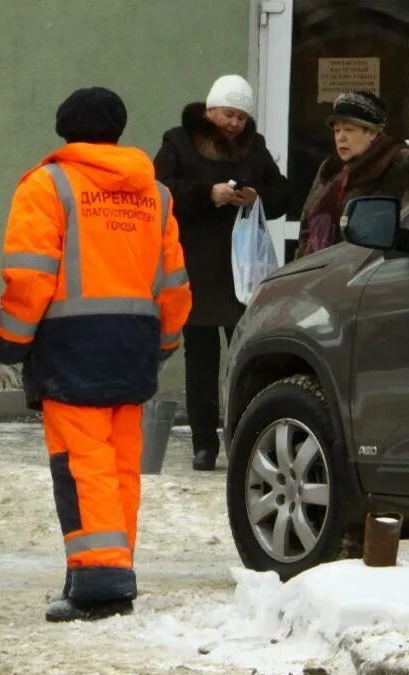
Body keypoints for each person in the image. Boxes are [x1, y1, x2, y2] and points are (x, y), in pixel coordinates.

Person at [0, 87, 191, 622]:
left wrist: (7, 344)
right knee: (122, 466)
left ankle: (98, 582)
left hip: (72, 348)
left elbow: (30, 276)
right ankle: (113, 570)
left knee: (83, 467)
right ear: (119, 130)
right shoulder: (156, 194)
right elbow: (173, 286)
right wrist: (164, 344)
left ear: (63, 128)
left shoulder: (48, 185)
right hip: (135, 347)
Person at [153, 74, 289, 471]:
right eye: (229, 114)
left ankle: (247, 439)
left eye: (242, 118)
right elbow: (161, 191)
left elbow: (282, 193)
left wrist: (256, 196)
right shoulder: (178, 141)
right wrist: (207, 195)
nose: (235, 124)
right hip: (195, 264)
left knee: (248, 357)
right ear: (210, 110)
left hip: (241, 268)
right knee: (201, 359)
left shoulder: (255, 147)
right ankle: (203, 443)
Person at [295, 91, 409, 259]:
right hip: (320, 271)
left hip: (374, 274)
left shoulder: (400, 165)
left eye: (349, 130)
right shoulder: (331, 169)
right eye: (337, 131)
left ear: (372, 133)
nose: (340, 138)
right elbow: (306, 227)